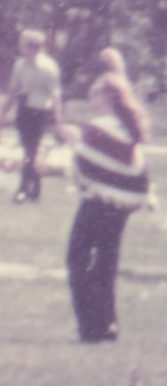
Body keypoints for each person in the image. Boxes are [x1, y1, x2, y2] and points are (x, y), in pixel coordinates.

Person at [68, 50, 149, 343]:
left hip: (96, 203)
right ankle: (109, 323)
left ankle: (90, 327)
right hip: (121, 209)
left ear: (109, 99)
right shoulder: (131, 131)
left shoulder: (98, 129)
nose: (92, 104)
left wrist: (73, 145)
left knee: (77, 258)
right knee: (106, 262)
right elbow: (137, 174)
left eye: (96, 98)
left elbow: (81, 169)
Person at [10, 30, 66, 201]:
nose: (20, 46)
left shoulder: (48, 67)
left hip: (39, 111)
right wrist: (3, 112)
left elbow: (55, 95)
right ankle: (35, 189)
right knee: (28, 151)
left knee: (31, 150)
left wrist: (58, 120)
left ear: (31, 46)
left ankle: (23, 188)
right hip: (23, 109)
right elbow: (13, 90)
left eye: (23, 43)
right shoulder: (19, 65)